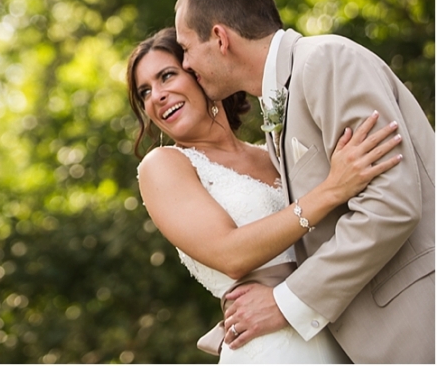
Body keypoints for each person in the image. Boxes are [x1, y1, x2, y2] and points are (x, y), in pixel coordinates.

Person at [174, 0, 435, 363]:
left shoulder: (325, 61)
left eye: (186, 48)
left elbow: (390, 205)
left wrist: (286, 302)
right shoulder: (278, 104)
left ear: (220, 38)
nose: (186, 63)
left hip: (416, 320)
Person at [128, 28, 402, 363]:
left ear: (199, 74)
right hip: (271, 346)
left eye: (166, 76)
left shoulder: (273, 151)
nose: (156, 95)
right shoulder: (164, 165)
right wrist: (332, 189)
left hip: (341, 327)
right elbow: (230, 254)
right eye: (144, 92)